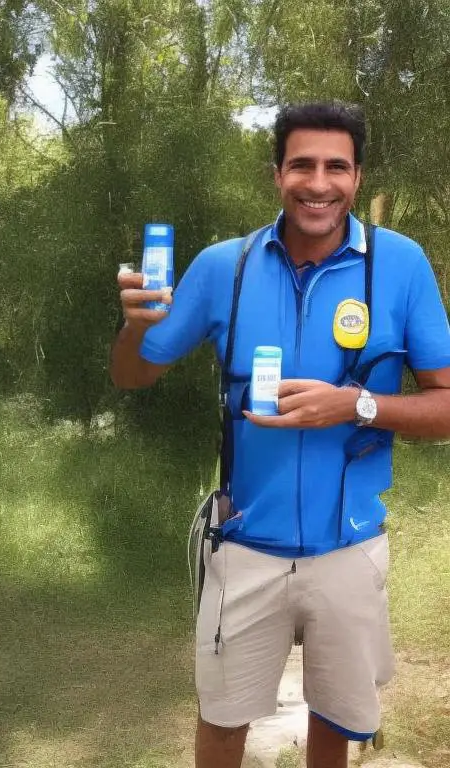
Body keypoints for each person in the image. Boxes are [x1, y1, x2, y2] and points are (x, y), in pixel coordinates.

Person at [110, 102, 450, 767]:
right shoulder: (223, 268)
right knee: (222, 719)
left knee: (334, 720)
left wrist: (355, 406)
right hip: (244, 548)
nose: (318, 183)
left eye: (336, 167)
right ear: (276, 174)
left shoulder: (401, 267)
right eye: (302, 165)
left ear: (356, 177)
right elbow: (133, 378)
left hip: (348, 550)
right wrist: (135, 327)